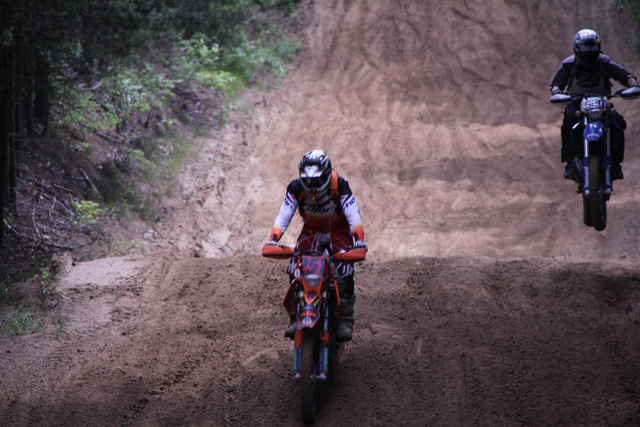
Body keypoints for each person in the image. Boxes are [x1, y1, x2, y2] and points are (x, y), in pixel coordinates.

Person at [265, 149, 366, 342]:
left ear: (326, 175)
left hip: (338, 231)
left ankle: (346, 319)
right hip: (312, 231)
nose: (312, 185)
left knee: (344, 270)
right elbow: (284, 215)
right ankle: (296, 316)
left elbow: (353, 215)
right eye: (308, 180)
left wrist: (359, 241)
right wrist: (273, 239)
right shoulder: (296, 187)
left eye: (317, 180)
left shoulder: (340, 185)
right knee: (295, 267)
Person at [549, 29, 638, 182]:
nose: (588, 51)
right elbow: (557, 84)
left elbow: (625, 75)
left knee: (617, 121)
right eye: (585, 46)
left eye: (591, 46)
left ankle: (616, 163)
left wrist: (633, 85)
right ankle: (570, 162)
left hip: (602, 101)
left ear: (598, 46)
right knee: (569, 120)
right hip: (577, 102)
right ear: (577, 47)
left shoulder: (604, 61)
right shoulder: (569, 63)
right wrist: (557, 92)